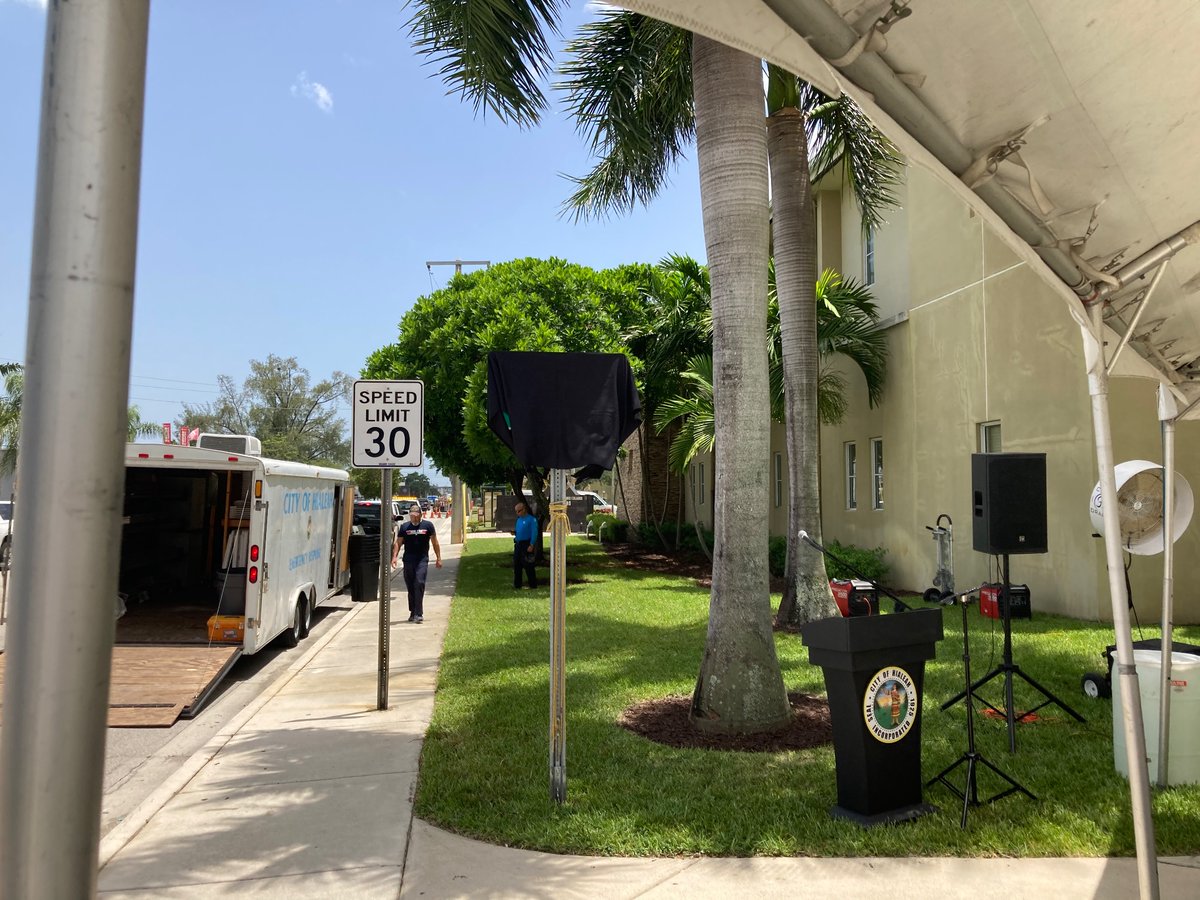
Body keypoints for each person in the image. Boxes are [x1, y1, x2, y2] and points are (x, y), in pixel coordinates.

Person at [396, 503, 441, 623]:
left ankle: (419, 613)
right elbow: (398, 543)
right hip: (408, 560)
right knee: (411, 587)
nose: (414, 517)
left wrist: (438, 558)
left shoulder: (428, 525)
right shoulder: (404, 527)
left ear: (420, 514)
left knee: (419, 583)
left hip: (422, 559)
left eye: (416, 515)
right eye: (412, 515)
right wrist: (394, 557)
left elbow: (435, 542)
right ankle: (413, 611)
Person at [513, 500, 538, 589]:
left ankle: (533, 584)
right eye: (516, 511)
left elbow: (534, 532)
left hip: (526, 544)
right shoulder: (519, 520)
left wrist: (531, 544)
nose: (517, 513)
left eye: (519, 511)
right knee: (517, 565)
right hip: (518, 544)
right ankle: (517, 585)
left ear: (524, 509)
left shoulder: (531, 520)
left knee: (528, 565)